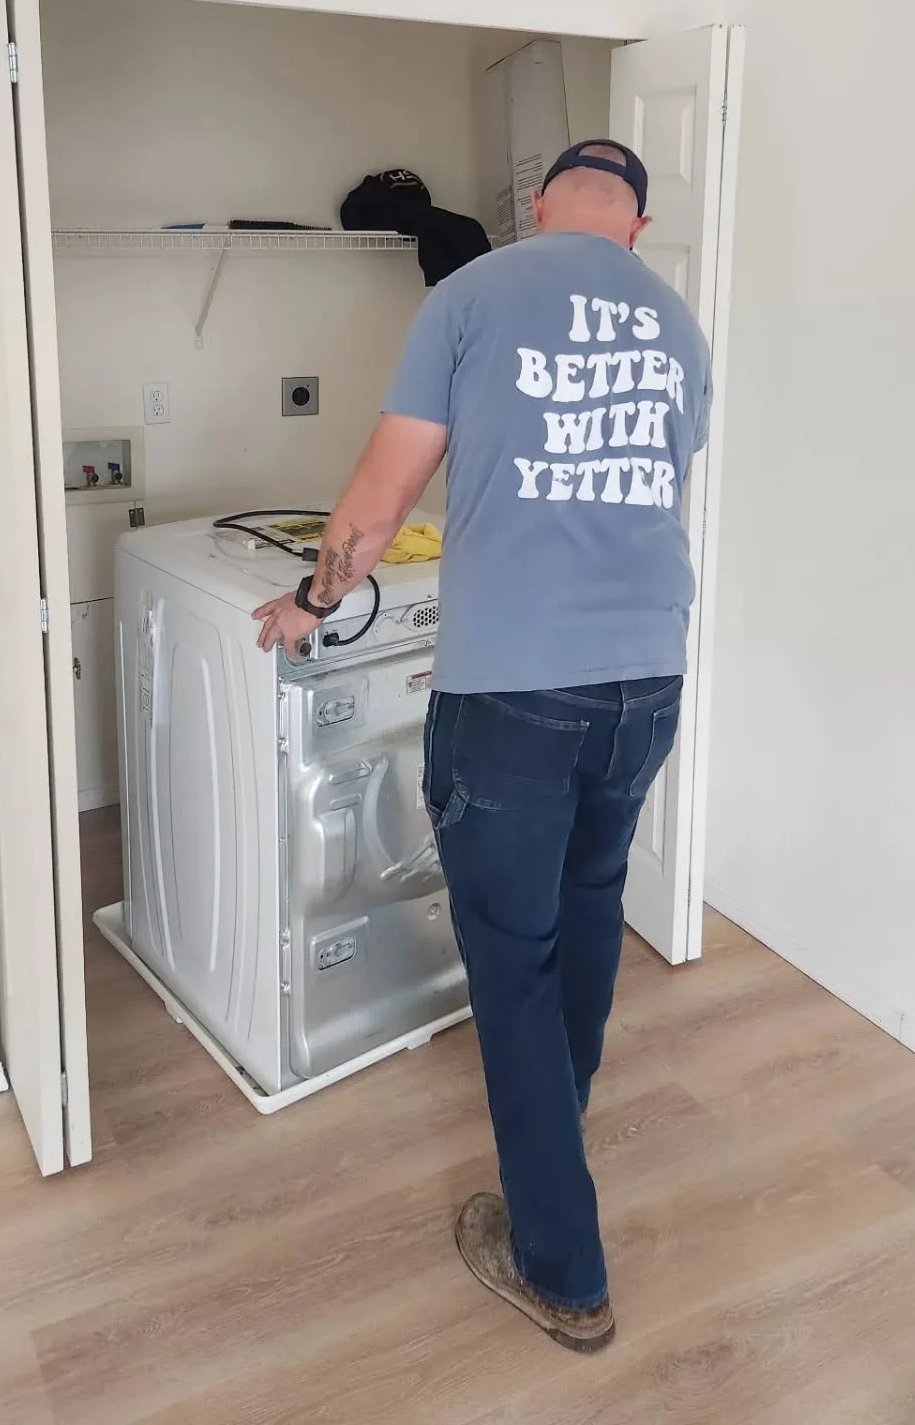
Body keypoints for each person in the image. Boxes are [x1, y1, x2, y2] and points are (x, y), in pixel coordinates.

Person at [254, 140, 713, 1353]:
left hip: (515, 688)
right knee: (594, 898)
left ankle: (561, 1265)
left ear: (539, 205)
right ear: (637, 223)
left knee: (511, 964)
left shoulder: (469, 294)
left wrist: (310, 601)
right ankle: (558, 1115)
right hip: (649, 676)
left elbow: (381, 490)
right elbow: (648, 481)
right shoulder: (678, 324)